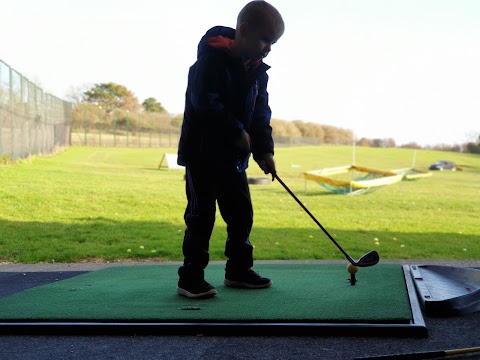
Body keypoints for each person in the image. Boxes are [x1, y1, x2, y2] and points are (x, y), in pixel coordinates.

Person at [176, 0, 285, 299]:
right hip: (202, 154)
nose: (268, 48)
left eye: (273, 43)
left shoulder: (258, 74)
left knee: (241, 213)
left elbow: (261, 116)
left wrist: (266, 152)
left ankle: (238, 270)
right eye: (265, 39)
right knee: (201, 216)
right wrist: (235, 131)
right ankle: (191, 277)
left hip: (233, 159)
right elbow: (204, 103)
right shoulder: (210, 61)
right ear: (244, 31)